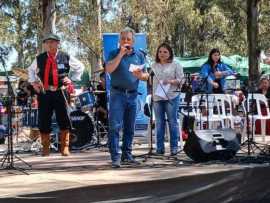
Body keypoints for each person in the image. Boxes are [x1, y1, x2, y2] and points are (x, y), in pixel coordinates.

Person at [28, 33, 84, 156]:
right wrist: (33, 83)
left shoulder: (65, 56)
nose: (49, 44)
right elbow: (30, 70)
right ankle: (45, 148)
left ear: (58, 43)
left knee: (64, 118)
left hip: (61, 91)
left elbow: (80, 67)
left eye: (52, 42)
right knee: (44, 119)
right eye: (47, 42)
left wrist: (72, 79)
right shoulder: (39, 58)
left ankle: (64, 147)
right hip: (45, 92)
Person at [106, 27, 149, 168]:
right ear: (119, 40)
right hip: (117, 94)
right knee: (115, 126)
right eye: (123, 39)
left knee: (130, 127)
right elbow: (109, 70)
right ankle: (115, 157)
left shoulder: (139, 55)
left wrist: (140, 76)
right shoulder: (113, 53)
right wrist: (120, 54)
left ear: (133, 41)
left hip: (132, 95)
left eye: (128, 39)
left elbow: (146, 76)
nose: (126, 41)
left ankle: (127, 155)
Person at [151, 43, 184, 155]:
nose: (162, 54)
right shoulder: (153, 65)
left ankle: (174, 147)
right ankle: (159, 149)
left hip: (172, 96)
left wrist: (170, 81)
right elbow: (151, 80)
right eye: (160, 52)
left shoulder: (176, 64)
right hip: (157, 97)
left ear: (170, 53)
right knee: (159, 122)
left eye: (165, 52)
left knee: (172, 121)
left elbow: (181, 80)